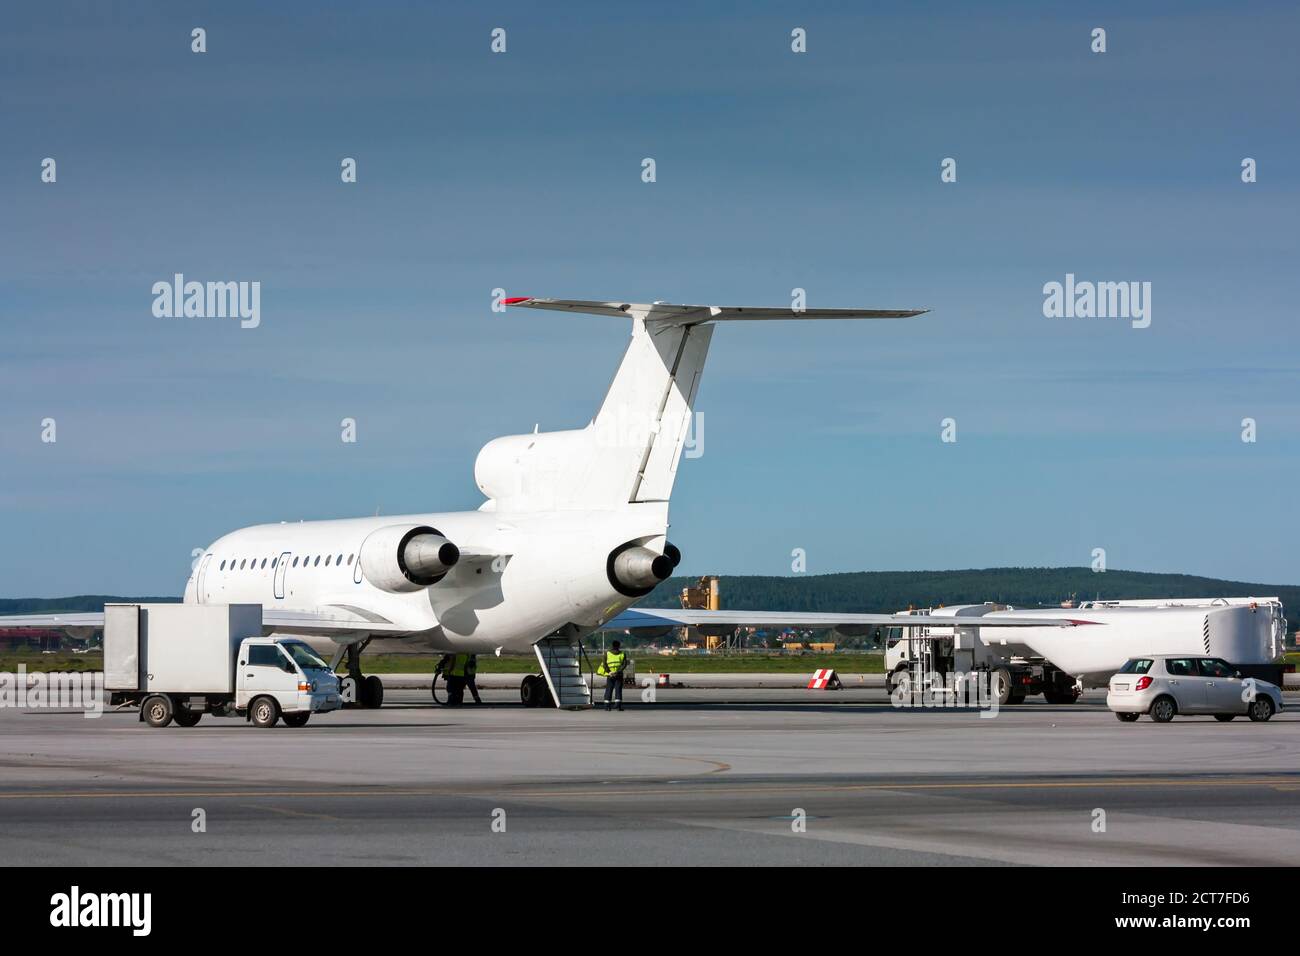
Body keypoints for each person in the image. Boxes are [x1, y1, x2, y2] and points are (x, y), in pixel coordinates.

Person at [599, 640, 628, 711]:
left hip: (610, 675)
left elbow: (604, 664)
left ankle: (607, 706)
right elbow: (624, 664)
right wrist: (618, 671)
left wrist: (609, 672)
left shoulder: (607, 653)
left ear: (612, 646)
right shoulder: (622, 654)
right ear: (619, 646)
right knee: (618, 690)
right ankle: (618, 705)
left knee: (609, 689)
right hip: (618, 675)